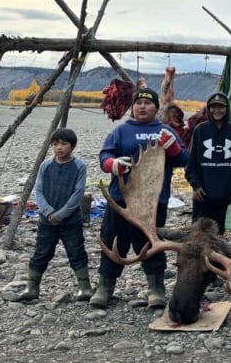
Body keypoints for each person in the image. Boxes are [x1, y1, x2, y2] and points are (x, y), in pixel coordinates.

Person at [90, 88, 190, 309]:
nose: (142, 107)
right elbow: (105, 155)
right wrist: (112, 165)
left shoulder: (165, 130)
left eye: (147, 103)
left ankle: (156, 289)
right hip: (120, 200)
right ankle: (105, 287)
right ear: (133, 108)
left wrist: (173, 147)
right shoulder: (120, 131)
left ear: (156, 108)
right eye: (138, 103)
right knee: (113, 242)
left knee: (151, 244)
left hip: (152, 202)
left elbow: (184, 159)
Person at [19, 128, 90, 302]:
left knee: (76, 251)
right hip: (47, 220)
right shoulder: (45, 165)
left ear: (72, 146)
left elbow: (78, 193)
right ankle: (32, 286)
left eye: (64, 144)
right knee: (42, 252)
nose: (59, 147)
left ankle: (84, 286)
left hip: (71, 220)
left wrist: (62, 214)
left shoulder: (79, 166)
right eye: (55, 144)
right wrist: (49, 212)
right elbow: (39, 190)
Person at [185, 92, 231, 235]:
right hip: (203, 193)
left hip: (223, 193)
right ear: (208, 108)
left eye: (221, 107)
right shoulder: (200, 130)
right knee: (198, 231)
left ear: (227, 108)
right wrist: (195, 185)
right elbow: (190, 161)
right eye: (213, 107)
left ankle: (216, 258)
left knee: (218, 232)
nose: (217, 111)